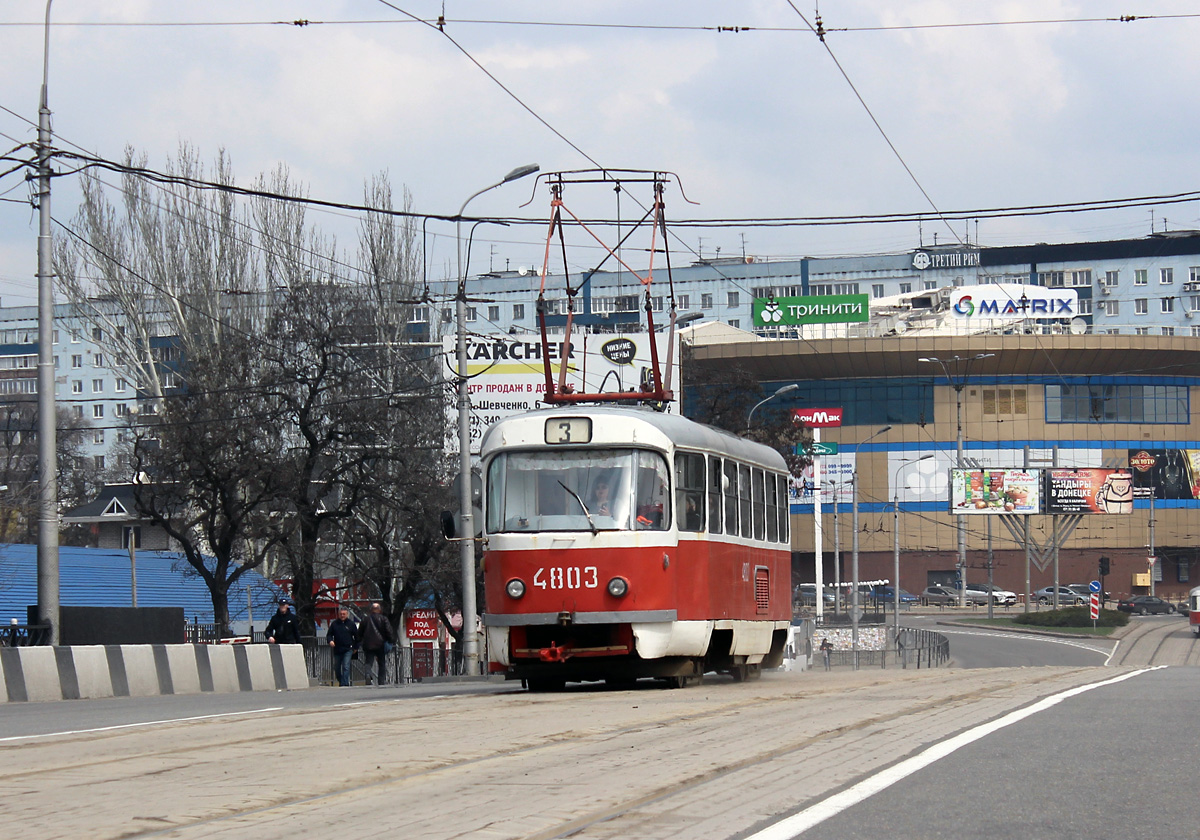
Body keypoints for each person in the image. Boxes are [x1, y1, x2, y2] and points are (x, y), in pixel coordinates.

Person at [358, 602, 396, 685]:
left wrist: (359, 642)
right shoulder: (384, 619)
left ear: (371, 610)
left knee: (368, 662)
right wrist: (391, 640)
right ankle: (381, 681)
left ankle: (368, 675)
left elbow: (360, 633)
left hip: (368, 644)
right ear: (379, 610)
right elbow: (388, 631)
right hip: (380, 645)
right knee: (382, 663)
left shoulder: (365, 619)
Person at [327, 607, 359, 687]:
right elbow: (329, 635)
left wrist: (356, 647)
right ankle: (341, 681)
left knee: (346, 666)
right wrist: (330, 641)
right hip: (337, 649)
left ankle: (345, 684)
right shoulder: (334, 624)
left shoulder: (351, 624)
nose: (342, 615)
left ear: (347, 614)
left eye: (344, 614)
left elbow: (357, 637)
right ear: (338, 614)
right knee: (337, 668)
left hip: (348, 649)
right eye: (341, 614)